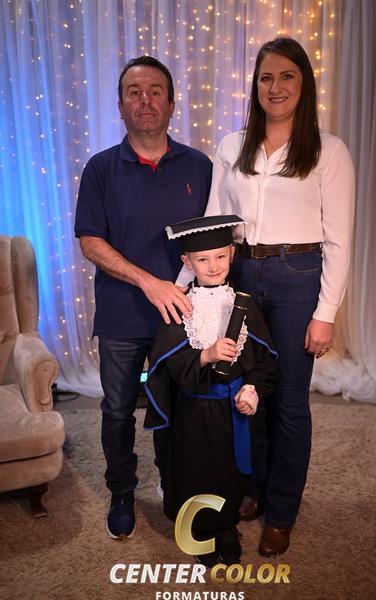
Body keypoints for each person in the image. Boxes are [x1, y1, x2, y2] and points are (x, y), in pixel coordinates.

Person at [201, 38, 355, 556]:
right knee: (249, 391)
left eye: (287, 76)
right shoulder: (232, 146)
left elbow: (339, 239)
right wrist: (191, 284)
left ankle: (282, 510)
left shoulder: (329, 151)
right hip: (243, 271)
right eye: (266, 77)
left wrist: (325, 313)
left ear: (304, 83)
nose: (276, 86)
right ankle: (256, 489)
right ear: (255, 85)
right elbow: (215, 221)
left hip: (297, 275)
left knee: (288, 399)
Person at [74, 56, 212, 540]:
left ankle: (175, 486)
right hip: (121, 316)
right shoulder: (101, 169)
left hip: (183, 316)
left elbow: (213, 238)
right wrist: (150, 283)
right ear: (120, 105)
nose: (145, 100)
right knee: (117, 410)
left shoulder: (200, 166)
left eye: (155, 91)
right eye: (134, 92)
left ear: (172, 104)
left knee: (179, 407)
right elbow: (91, 242)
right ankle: (121, 491)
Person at [144, 215, 276, 566]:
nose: (213, 266)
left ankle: (226, 524)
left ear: (231, 254)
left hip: (233, 408)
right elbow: (168, 363)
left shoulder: (244, 304)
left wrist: (251, 390)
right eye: (202, 259)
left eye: (220, 256)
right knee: (196, 469)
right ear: (187, 262)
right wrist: (206, 355)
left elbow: (263, 359)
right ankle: (200, 530)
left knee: (230, 470)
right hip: (194, 409)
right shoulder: (181, 306)